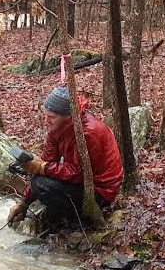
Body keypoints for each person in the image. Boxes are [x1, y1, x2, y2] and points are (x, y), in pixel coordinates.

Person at [7, 87, 123, 230]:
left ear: (68, 117)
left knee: (42, 184)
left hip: (101, 190)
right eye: (46, 116)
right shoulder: (56, 129)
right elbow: (47, 161)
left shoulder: (90, 132)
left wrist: (43, 168)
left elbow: (80, 174)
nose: (47, 121)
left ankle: (80, 220)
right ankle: (62, 215)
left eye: (51, 117)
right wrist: (24, 202)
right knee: (39, 182)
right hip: (81, 182)